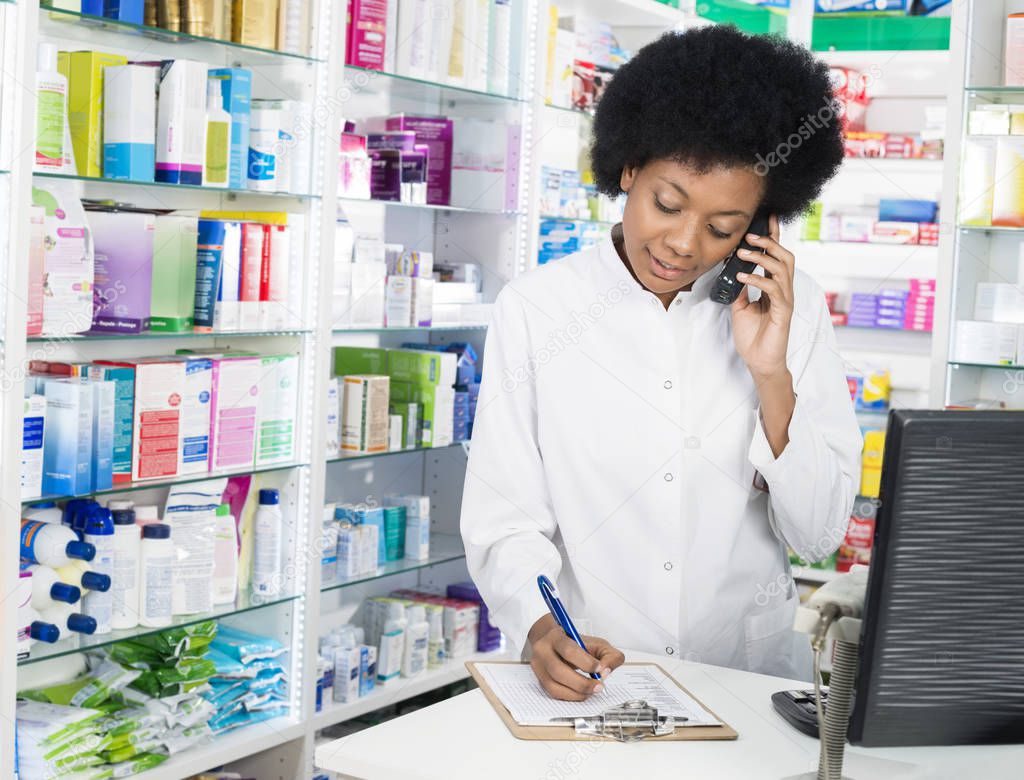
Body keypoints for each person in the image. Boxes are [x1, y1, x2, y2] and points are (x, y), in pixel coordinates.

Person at [461, 25, 862, 701]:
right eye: (667, 204)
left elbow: (818, 534)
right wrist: (538, 628)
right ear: (628, 169)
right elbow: (506, 520)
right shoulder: (538, 309)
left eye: (722, 227)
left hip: (744, 689)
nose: (681, 243)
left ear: (762, 223)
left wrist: (772, 377)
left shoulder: (790, 311)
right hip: (594, 689)